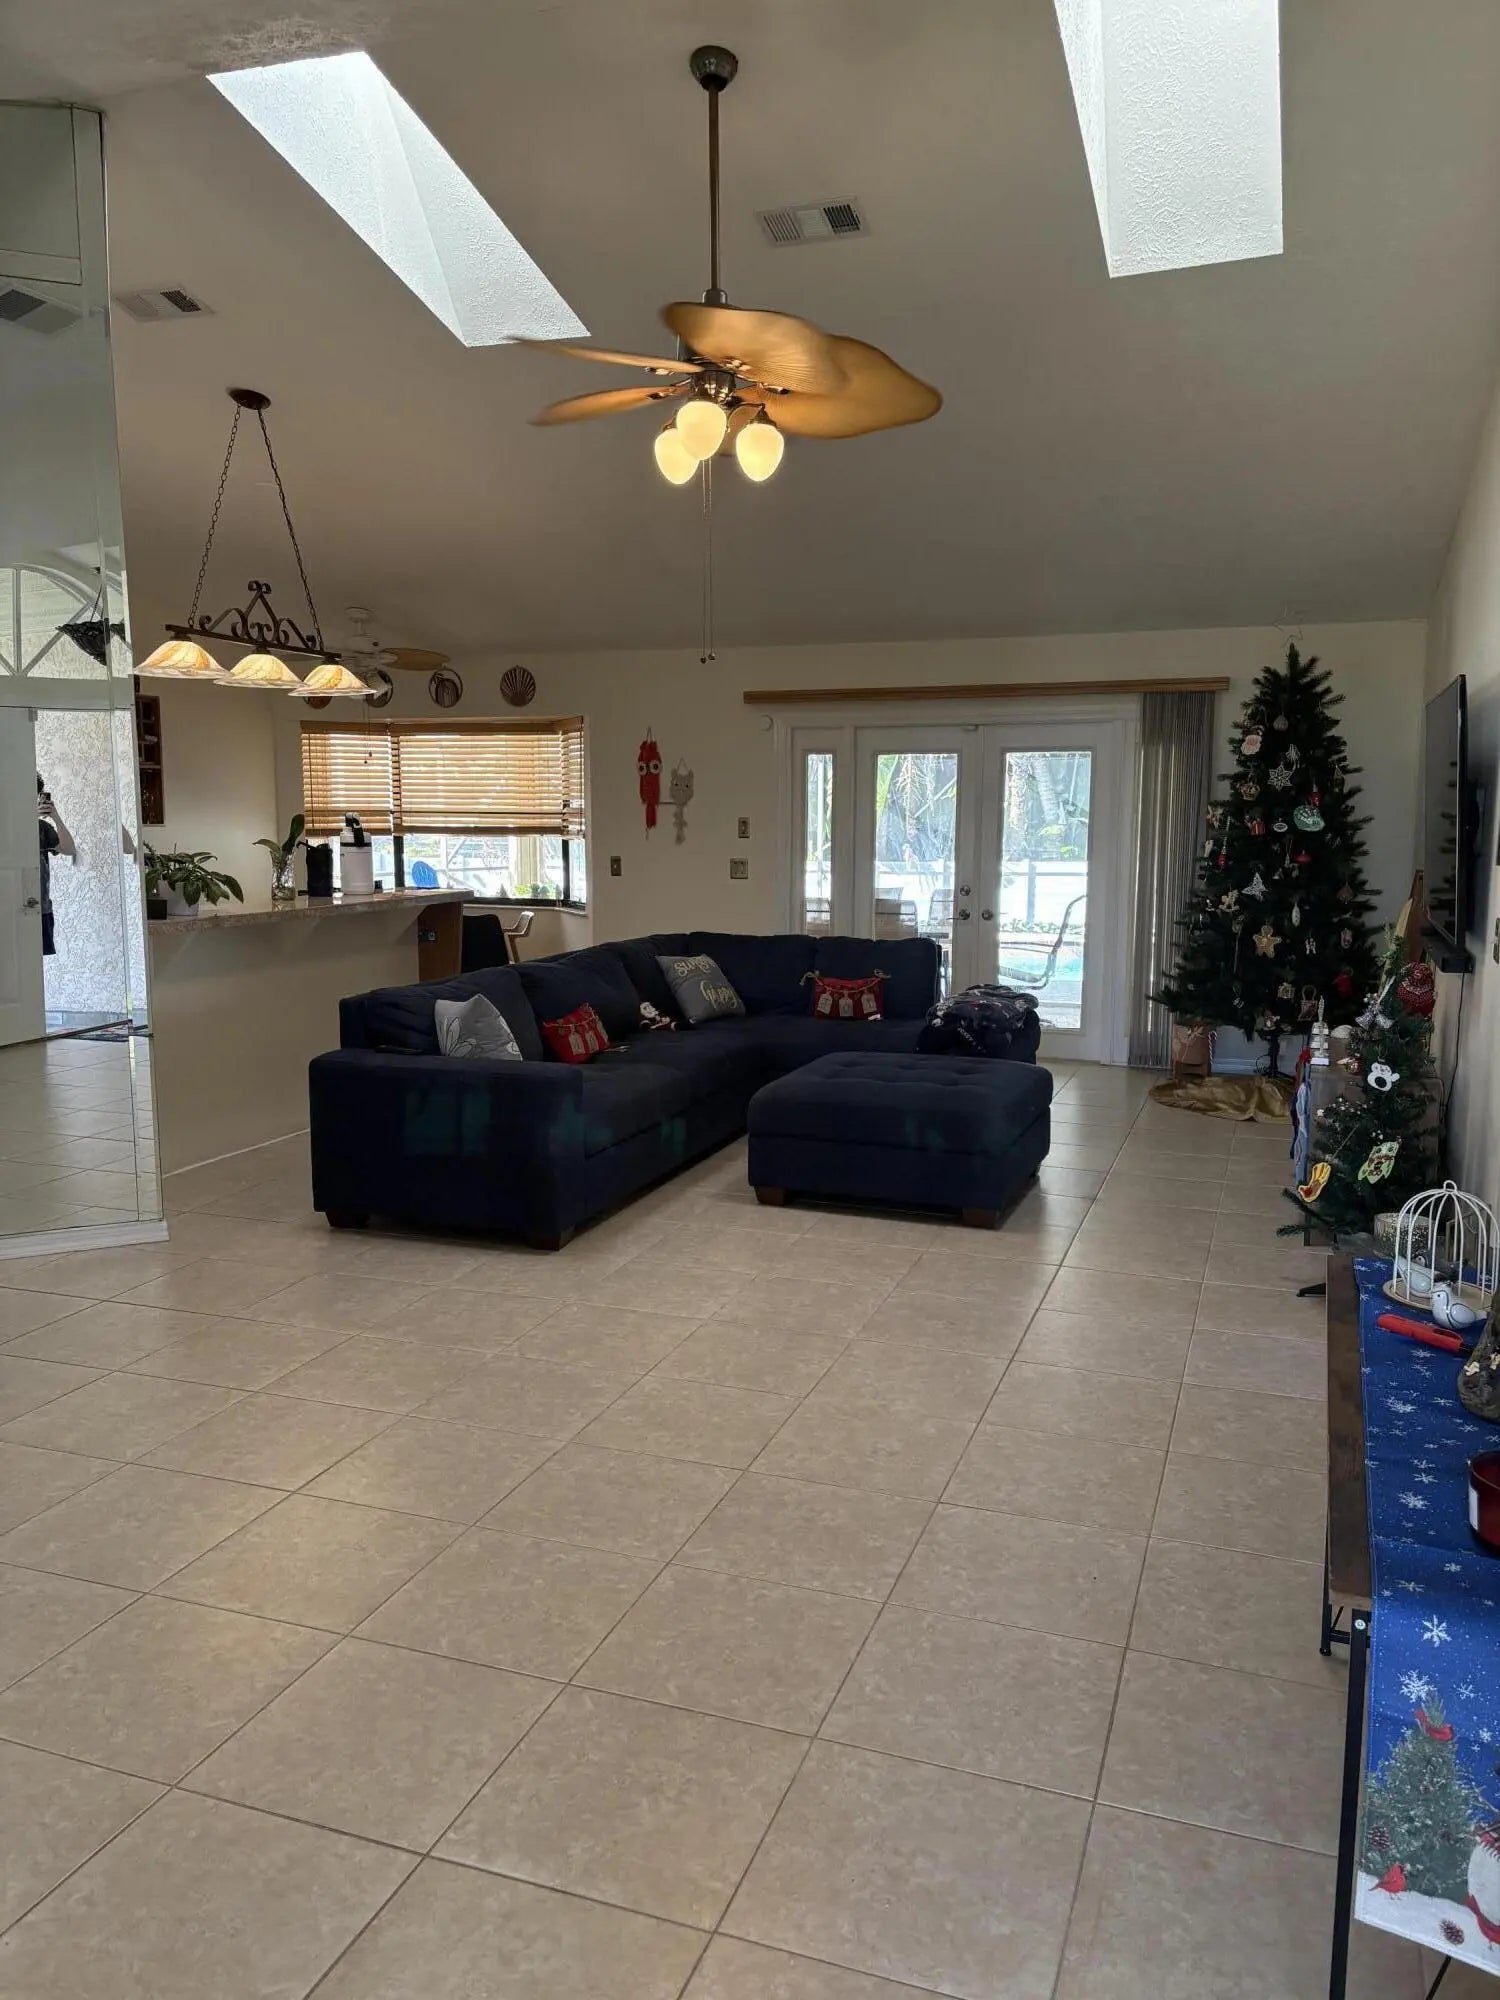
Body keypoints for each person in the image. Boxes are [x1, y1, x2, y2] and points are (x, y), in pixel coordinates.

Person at [36, 774, 76, 956]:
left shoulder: (42, 828)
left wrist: (56, 817)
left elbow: (69, 849)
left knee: (34, 966)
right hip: (10, 908)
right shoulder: (8, 826)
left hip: (40, 908)